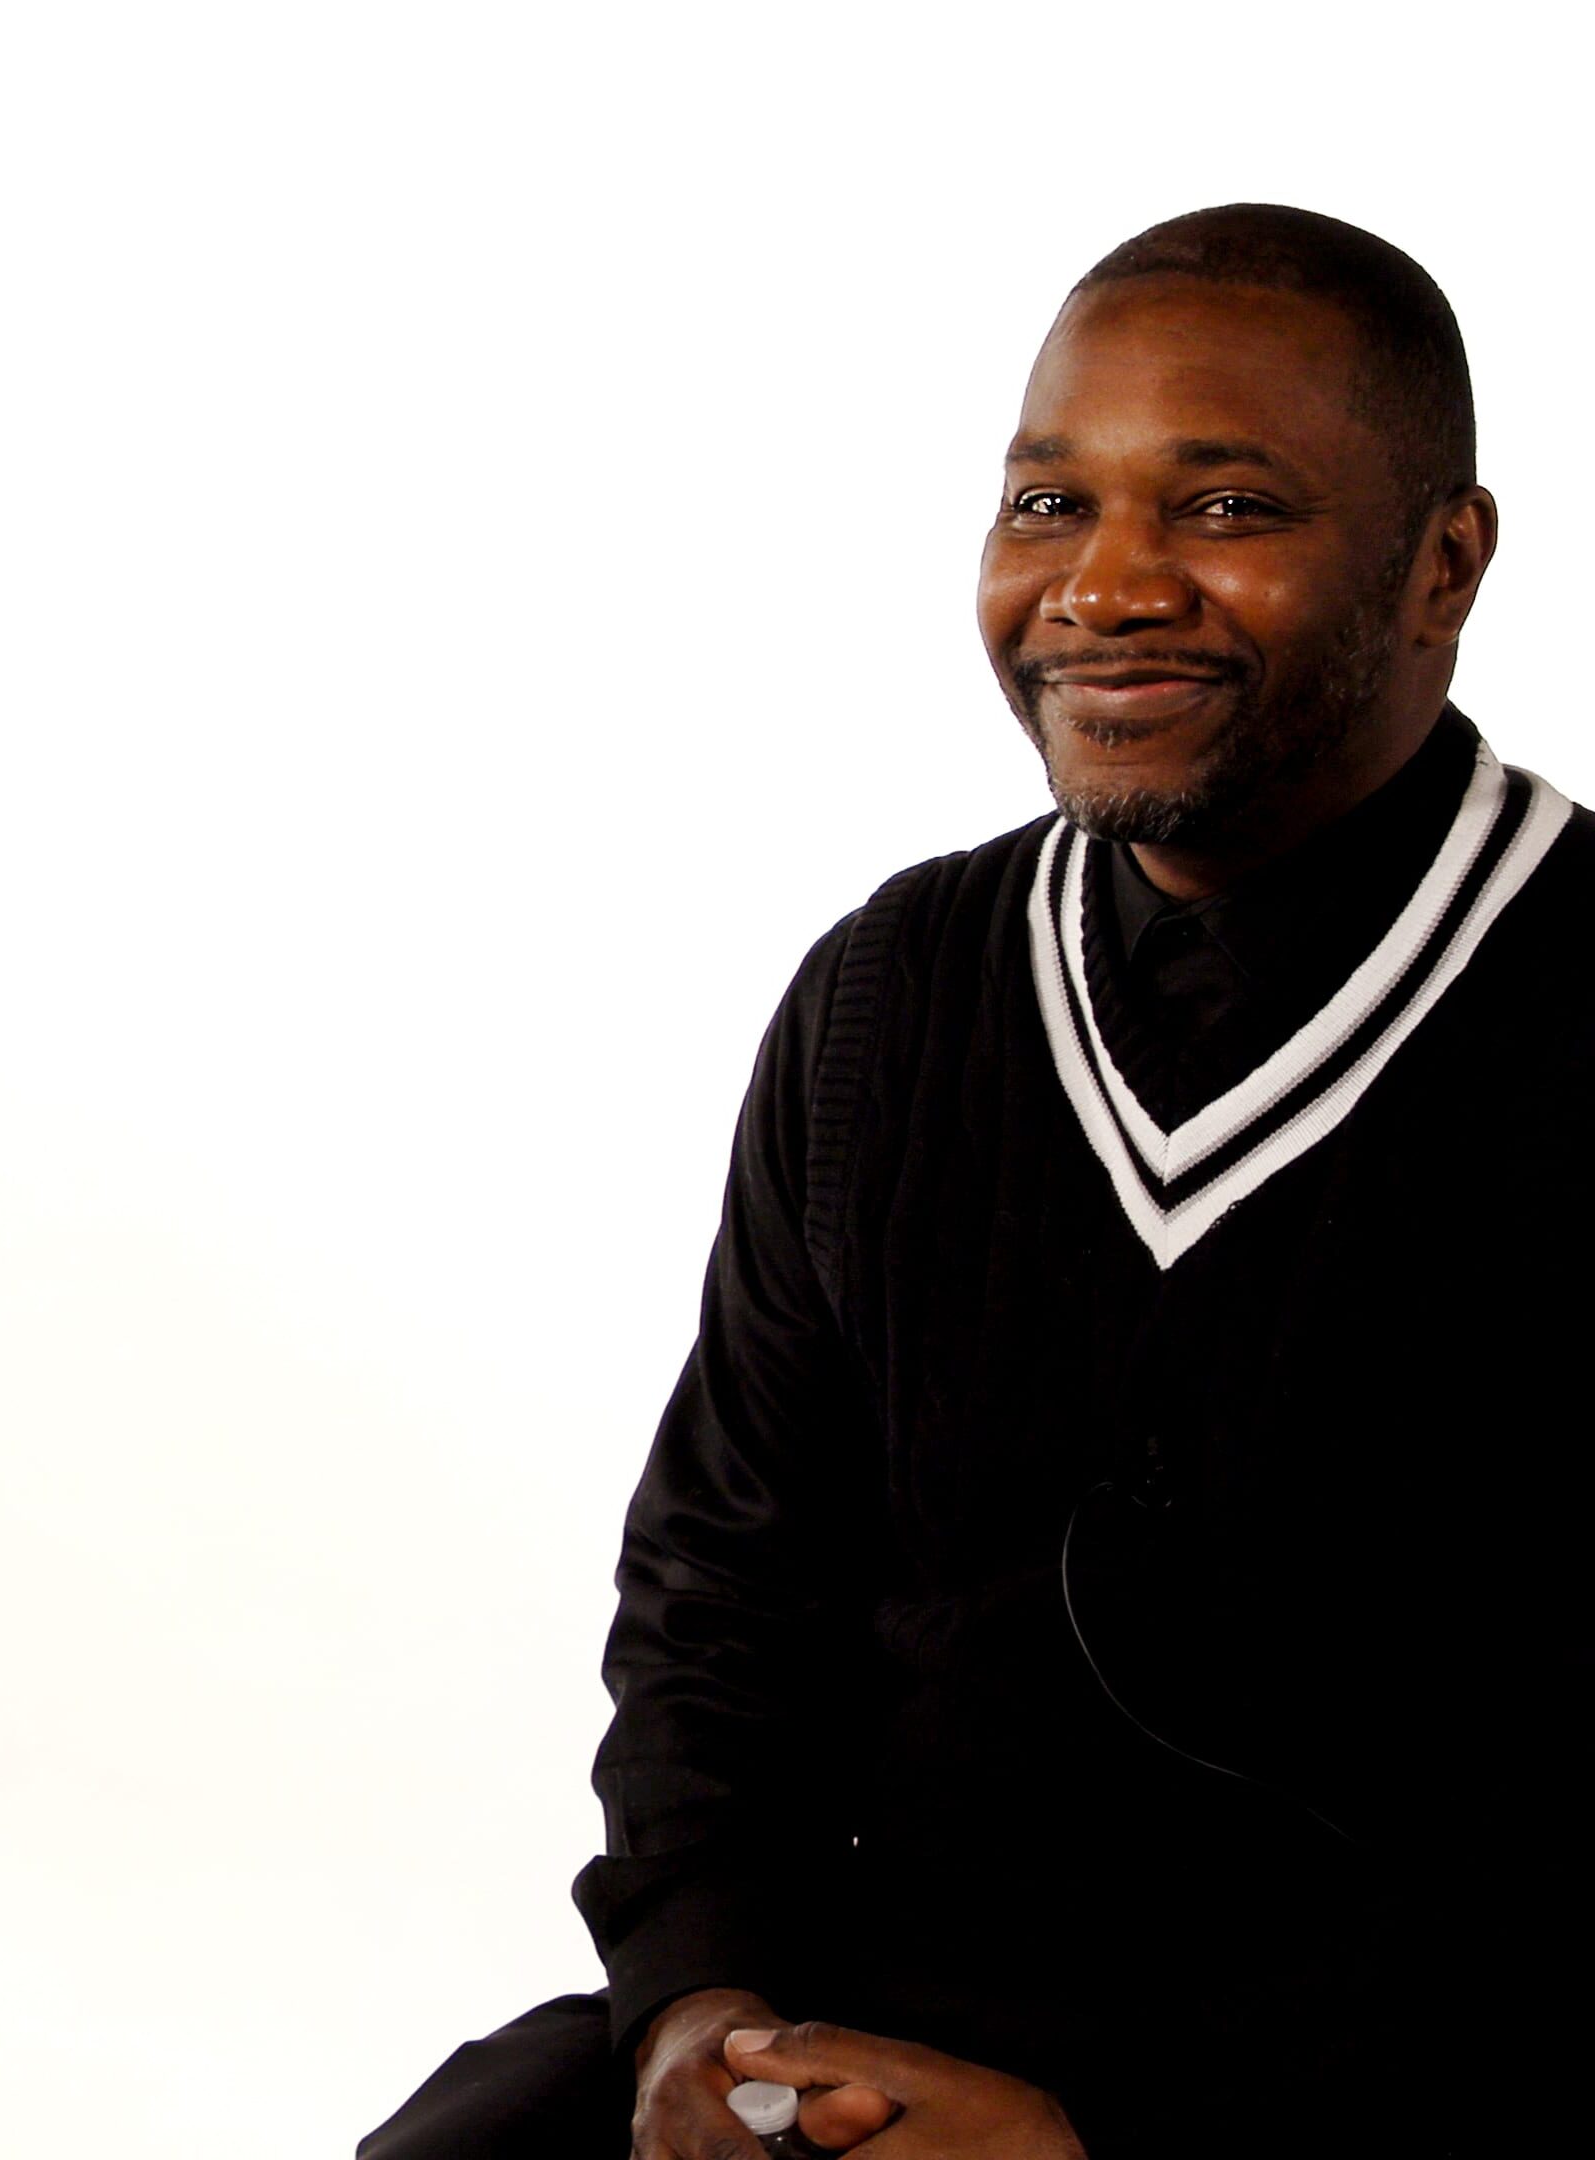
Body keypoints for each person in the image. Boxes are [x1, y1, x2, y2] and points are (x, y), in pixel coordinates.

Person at [358, 204, 1589, 2157]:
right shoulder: (896, 994)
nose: (1100, 591)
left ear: (1440, 564)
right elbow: (722, 1594)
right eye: (1041, 508)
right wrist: (703, 2007)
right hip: (888, 2029)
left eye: (1225, 509)